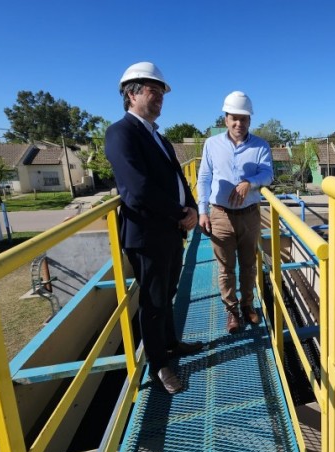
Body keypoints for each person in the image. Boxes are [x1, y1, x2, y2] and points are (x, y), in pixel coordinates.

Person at [105, 62, 203, 394]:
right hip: (147, 234)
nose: (160, 96)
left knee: (168, 293)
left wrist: (192, 207)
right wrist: (180, 213)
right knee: (153, 300)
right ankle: (159, 366)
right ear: (131, 93)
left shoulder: (158, 137)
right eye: (153, 90)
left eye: (161, 92)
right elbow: (138, 188)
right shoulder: (121, 133)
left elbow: (178, 178)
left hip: (171, 229)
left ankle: (172, 343)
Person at [197, 91, 273, 334]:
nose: (239, 123)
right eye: (234, 118)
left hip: (250, 214)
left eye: (244, 119)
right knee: (226, 268)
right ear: (225, 119)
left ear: (250, 120)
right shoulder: (212, 144)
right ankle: (231, 312)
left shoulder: (260, 145)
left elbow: (268, 175)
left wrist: (249, 182)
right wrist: (202, 211)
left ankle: (247, 305)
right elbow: (204, 178)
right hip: (220, 215)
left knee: (249, 265)